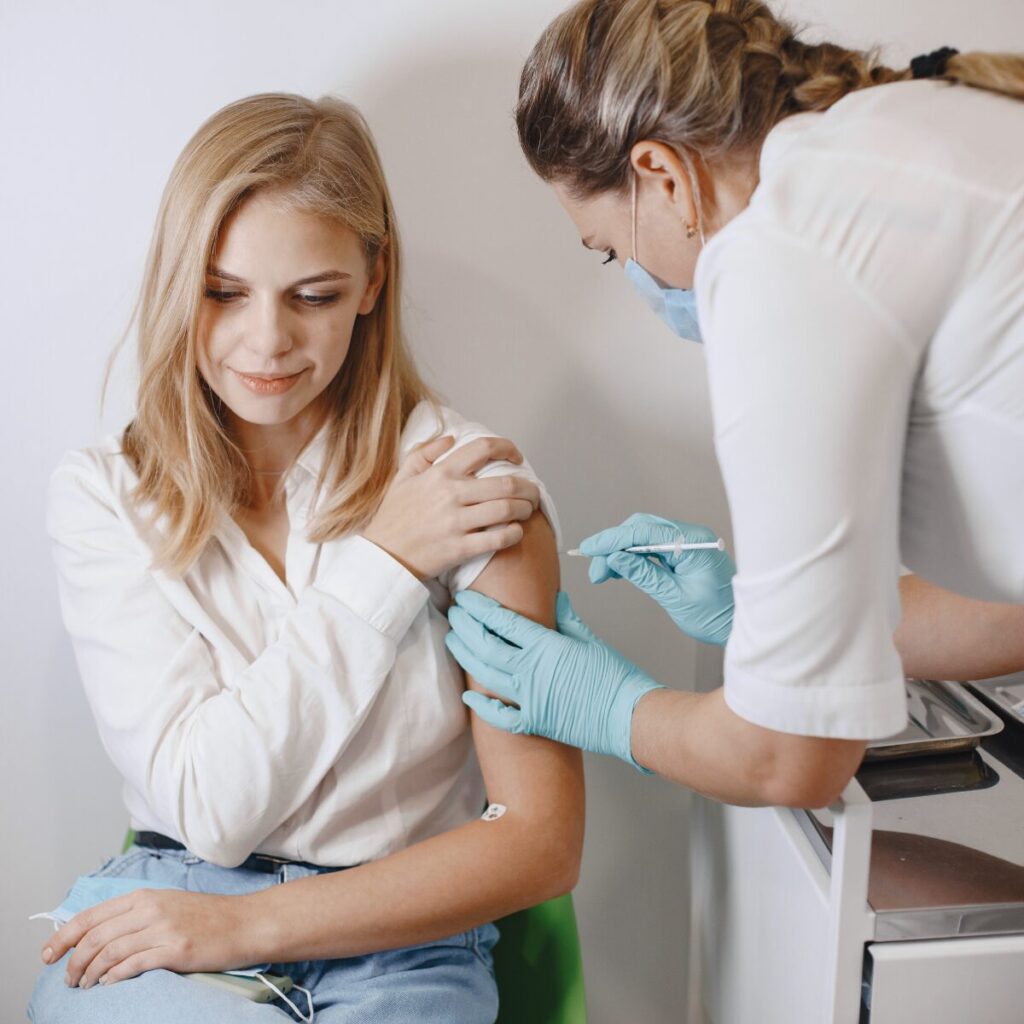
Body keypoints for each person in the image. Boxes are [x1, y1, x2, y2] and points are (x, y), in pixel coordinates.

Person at [31, 93, 582, 1023]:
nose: (267, 342)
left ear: (373, 280)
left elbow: (538, 844)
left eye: (314, 297)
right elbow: (211, 809)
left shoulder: (471, 484)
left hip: (402, 943)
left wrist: (247, 929)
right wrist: (387, 564)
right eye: (223, 292)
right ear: (178, 284)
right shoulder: (103, 496)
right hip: (175, 906)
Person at [445, 0, 1024, 805]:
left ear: (662, 175)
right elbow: (1014, 605)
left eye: (612, 250)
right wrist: (757, 613)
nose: (639, 279)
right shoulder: (895, 134)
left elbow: (789, 759)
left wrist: (612, 707)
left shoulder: (782, 255)